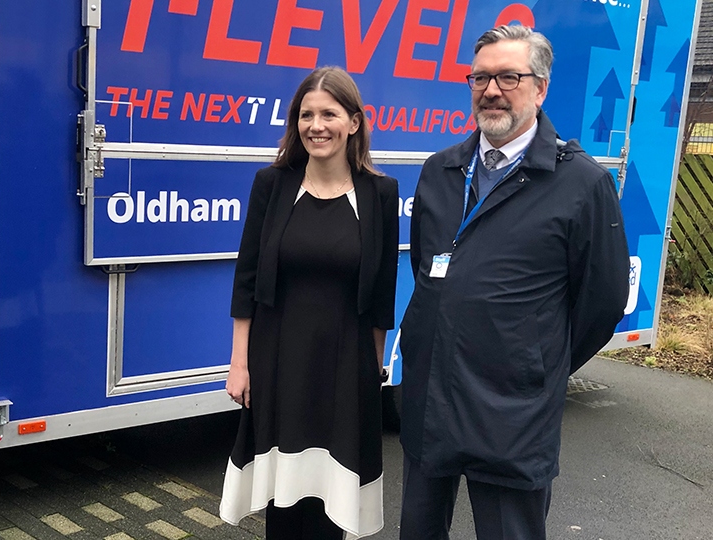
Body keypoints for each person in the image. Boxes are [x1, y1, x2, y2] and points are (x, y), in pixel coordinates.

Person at [398, 25, 630, 539]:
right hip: (430, 399)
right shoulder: (441, 171)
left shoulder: (580, 183)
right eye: (480, 77)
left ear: (541, 88)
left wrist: (538, 364)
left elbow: (604, 301)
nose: (492, 90)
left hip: (511, 415)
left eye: (509, 76)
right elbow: (428, 270)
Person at [219, 66, 399, 539]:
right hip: (280, 361)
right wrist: (240, 364)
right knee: (285, 499)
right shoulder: (273, 185)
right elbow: (247, 278)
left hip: (345, 367)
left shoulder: (380, 193)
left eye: (329, 114)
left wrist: (374, 369)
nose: (316, 125)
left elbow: (383, 292)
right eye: (306, 115)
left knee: (330, 503)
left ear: (354, 123)